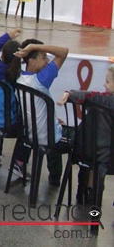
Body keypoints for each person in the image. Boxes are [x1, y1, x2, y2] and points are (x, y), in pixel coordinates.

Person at [57, 64, 114, 206]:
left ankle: (84, 191)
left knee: (91, 150)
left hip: (86, 152)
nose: (104, 84)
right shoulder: (106, 100)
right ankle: (93, 191)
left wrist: (69, 94)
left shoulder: (102, 100)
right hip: (107, 157)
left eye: (107, 81)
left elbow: (88, 95)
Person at [15, 39, 69, 186]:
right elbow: (63, 52)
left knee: (55, 128)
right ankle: (60, 178)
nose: (47, 61)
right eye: (44, 57)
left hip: (29, 134)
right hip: (47, 137)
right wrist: (34, 46)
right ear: (31, 61)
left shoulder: (19, 78)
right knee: (78, 138)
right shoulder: (41, 80)